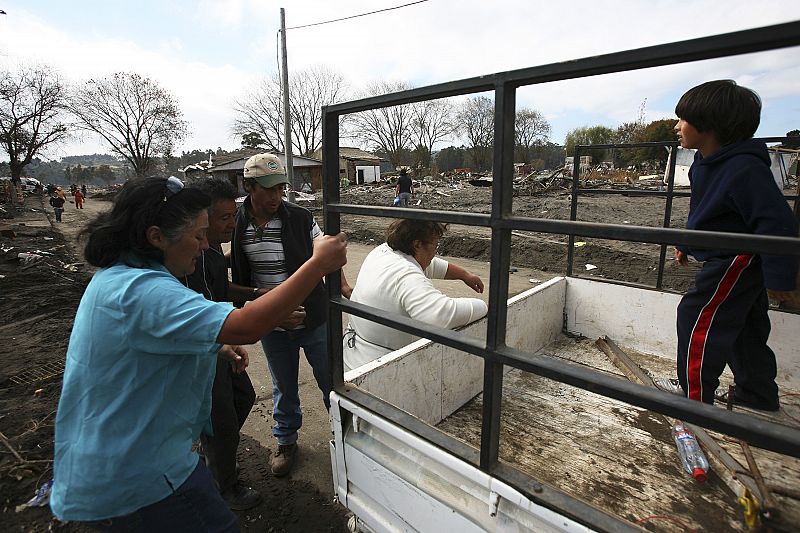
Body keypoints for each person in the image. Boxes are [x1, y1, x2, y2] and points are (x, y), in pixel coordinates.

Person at [51, 176, 347, 532]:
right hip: (140, 479)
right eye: (198, 236)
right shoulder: (142, 291)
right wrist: (317, 265)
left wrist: (215, 343)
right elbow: (247, 326)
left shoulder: (120, 277)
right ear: (156, 237)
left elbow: (159, 337)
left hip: (118, 466)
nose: (206, 245)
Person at [673, 80, 798, 411]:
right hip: (731, 255)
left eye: (683, 119)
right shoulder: (703, 162)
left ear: (709, 125)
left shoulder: (745, 169)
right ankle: (757, 393)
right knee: (744, 326)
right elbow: (705, 210)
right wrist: (688, 241)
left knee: (695, 316)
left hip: (736, 258)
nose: (677, 126)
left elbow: (777, 222)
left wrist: (780, 277)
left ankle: (694, 403)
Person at [230, 153, 351, 477]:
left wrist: (342, 284)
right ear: (249, 187)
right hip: (272, 324)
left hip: (313, 317)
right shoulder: (238, 223)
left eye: (280, 188)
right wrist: (264, 309)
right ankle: (286, 441)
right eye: (268, 189)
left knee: (330, 380)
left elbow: (326, 252)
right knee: (283, 385)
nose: (276, 196)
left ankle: (345, 436)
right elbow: (236, 269)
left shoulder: (300, 217)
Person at [182, 178, 264, 511]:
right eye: (224, 217)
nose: (232, 224)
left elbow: (221, 289)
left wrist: (257, 294)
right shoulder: (191, 256)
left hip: (217, 340)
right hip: (204, 343)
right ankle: (224, 486)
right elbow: (208, 306)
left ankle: (212, 455)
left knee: (243, 397)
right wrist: (268, 306)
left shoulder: (213, 248)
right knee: (222, 418)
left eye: (234, 216)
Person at [344, 219, 488, 372]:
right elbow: (440, 316)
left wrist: (464, 275)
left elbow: (428, 264)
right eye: (435, 245)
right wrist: (483, 306)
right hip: (377, 372)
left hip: (352, 358)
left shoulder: (383, 252)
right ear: (417, 245)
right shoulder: (405, 275)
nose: (435, 252)